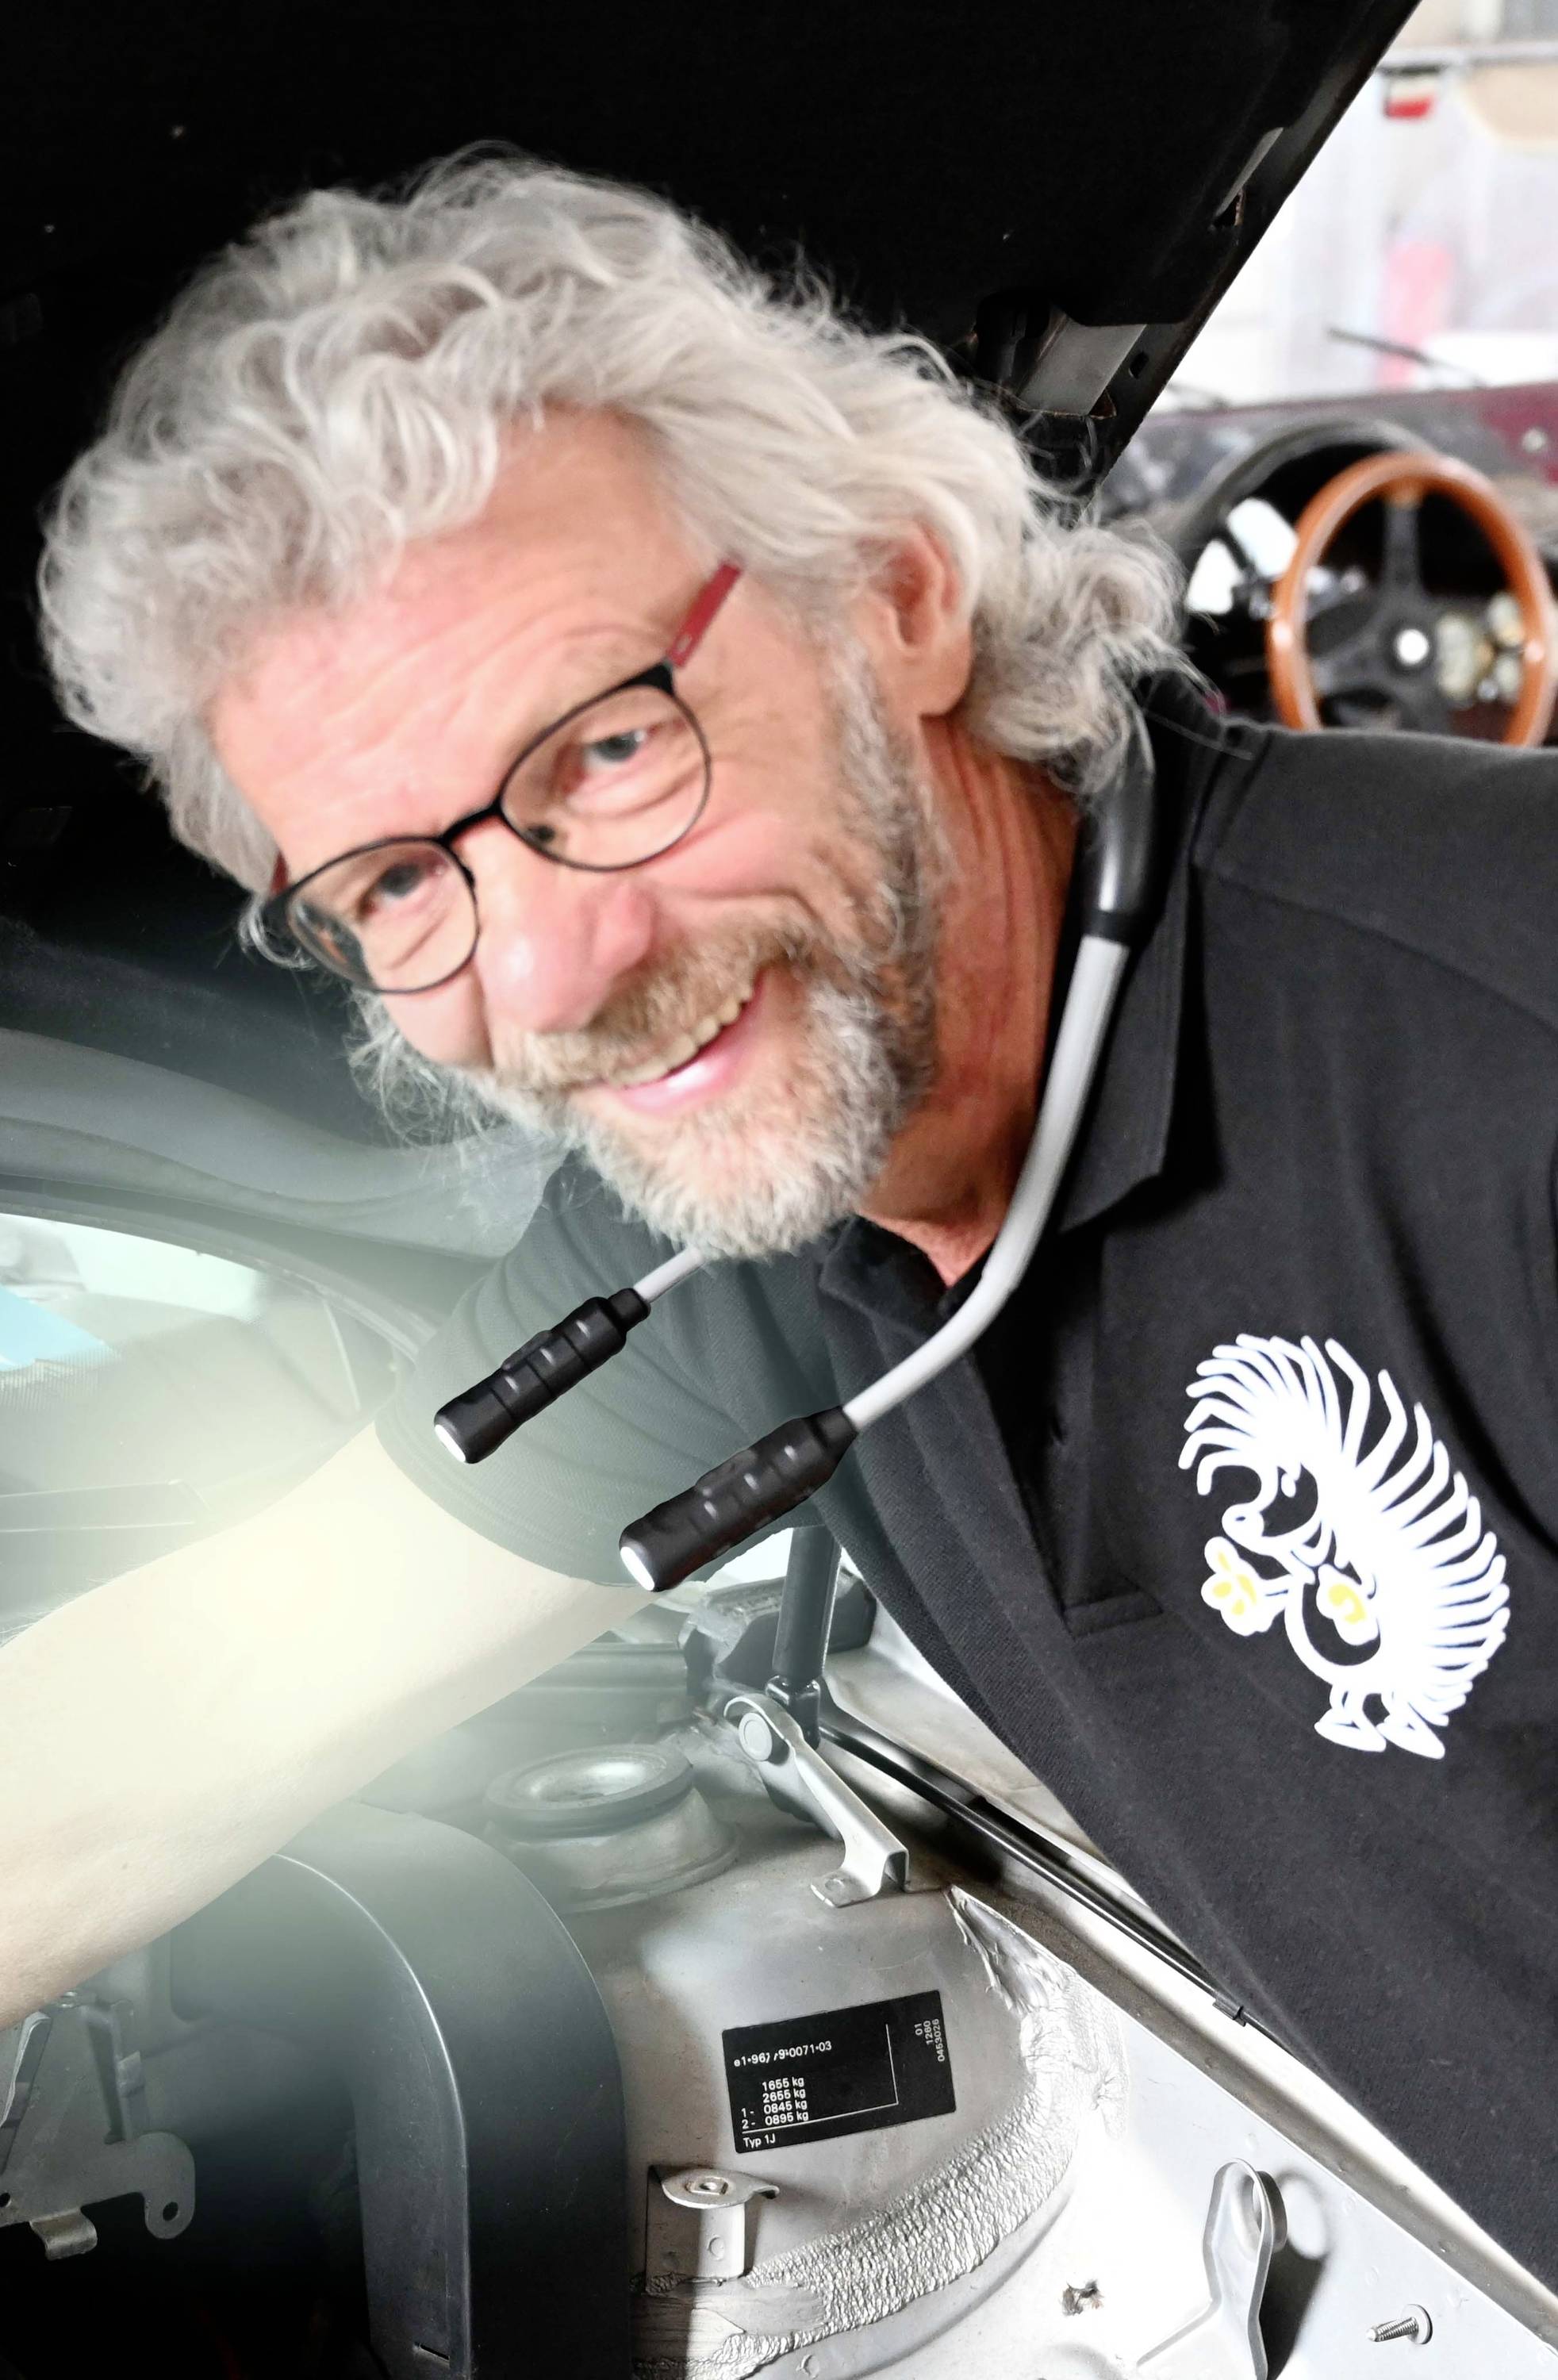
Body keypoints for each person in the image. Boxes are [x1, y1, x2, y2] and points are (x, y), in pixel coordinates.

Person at [23, 155, 1558, 2285]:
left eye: (606, 752)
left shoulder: (1503, 1034)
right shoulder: (748, 1227)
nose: (549, 975)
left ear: (900, 597)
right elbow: (146, 1744)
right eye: (395, 887)